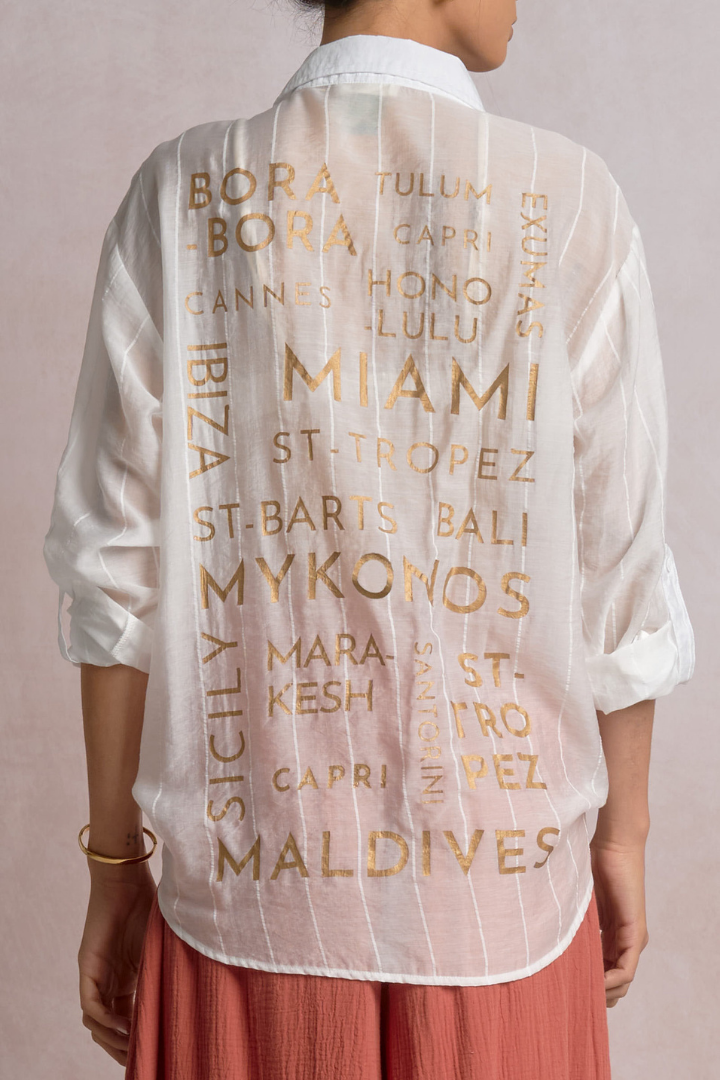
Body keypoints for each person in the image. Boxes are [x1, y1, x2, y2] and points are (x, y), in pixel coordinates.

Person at [42, 0, 696, 1076]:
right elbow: (617, 562)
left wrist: (115, 863)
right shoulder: (571, 198)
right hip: (506, 911)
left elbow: (114, 572)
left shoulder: (184, 193)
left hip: (246, 903)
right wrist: (624, 835)